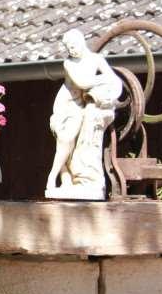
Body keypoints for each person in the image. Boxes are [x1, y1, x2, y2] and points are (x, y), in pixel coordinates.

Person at [45, 29, 122, 198]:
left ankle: (69, 180)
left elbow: (115, 80)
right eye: (68, 48)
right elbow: (83, 82)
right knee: (66, 139)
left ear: (81, 41)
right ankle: (53, 177)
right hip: (68, 104)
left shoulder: (96, 59)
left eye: (73, 46)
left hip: (83, 104)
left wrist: (109, 89)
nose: (71, 50)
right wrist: (104, 79)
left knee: (75, 144)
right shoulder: (69, 63)